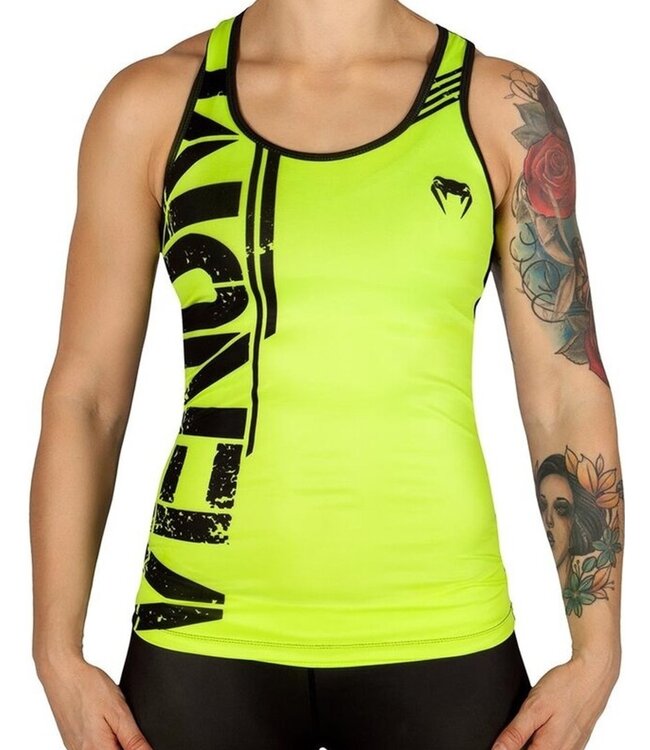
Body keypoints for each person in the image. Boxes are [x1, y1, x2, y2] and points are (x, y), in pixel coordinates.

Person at [30, 0, 624, 748]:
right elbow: (87, 399)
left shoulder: (500, 108)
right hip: (200, 633)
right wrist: (55, 654)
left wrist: (598, 652)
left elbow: (565, 393)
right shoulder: (152, 104)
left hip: (442, 632)